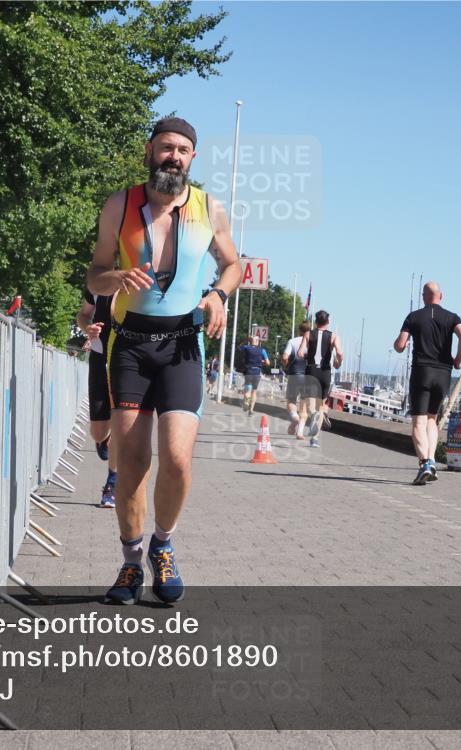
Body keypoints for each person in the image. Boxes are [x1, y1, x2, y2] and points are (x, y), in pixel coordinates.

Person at [87, 116, 241, 605]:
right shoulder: (121, 204)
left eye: (183, 150)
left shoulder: (208, 208)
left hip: (181, 347)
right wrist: (114, 280)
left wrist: (217, 295)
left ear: (192, 159)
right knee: (131, 463)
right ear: (150, 150)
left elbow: (233, 263)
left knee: (176, 459)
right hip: (129, 344)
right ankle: (131, 564)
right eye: (165, 148)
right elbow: (94, 275)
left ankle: (163, 545)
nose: (173, 157)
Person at [394, 281, 461, 485]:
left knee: (418, 422)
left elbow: (400, 346)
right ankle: (433, 460)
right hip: (443, 373)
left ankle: (425, 463)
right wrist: (458, 360)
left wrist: (401, 343)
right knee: (431, 420)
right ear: (441, 296)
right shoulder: (453, 317)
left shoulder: (414, 316)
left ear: (423, 296)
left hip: (422, 371)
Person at [76, 288, 118, 508]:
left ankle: (112, 484)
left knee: (123, 422)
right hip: (101, 357)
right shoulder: (99, 285)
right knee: (99, 431)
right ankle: (105, 438)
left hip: (129, 359)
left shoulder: (144, 283)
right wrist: (88, 328)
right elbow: (83, 315)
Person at [298, 310, 343, 449]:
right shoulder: (333, 336)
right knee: (321, 406)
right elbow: (340, 353)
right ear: (328, 322)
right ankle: (315, 439)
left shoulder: (307, 334)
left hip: (311, 370)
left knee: (311, 403)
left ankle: (313, 417)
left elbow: (300, 353)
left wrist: (307, 356)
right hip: (325, 372)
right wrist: (337, 362)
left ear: (316, 322)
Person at [281, 321, 313, 438]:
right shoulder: (313, 343)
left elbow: (285, 357)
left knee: (291, 401)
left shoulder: (293, 341)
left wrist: (286, 364)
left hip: (295, 374)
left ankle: (294, 417)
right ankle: (300, 432)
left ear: (300, 330)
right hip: (308, 377)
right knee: (304, 405)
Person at [238, 335, 270, 416]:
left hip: (249, 371)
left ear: (251, 340)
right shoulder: (262, 350)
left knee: (247, 389)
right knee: (254, 391)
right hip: (257, 372)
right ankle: (251, 409)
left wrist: (246, 339)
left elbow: (239, 347)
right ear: (258, 342)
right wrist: (261, 361)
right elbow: (268, 363)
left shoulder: (247, 348)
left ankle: (246, 403)